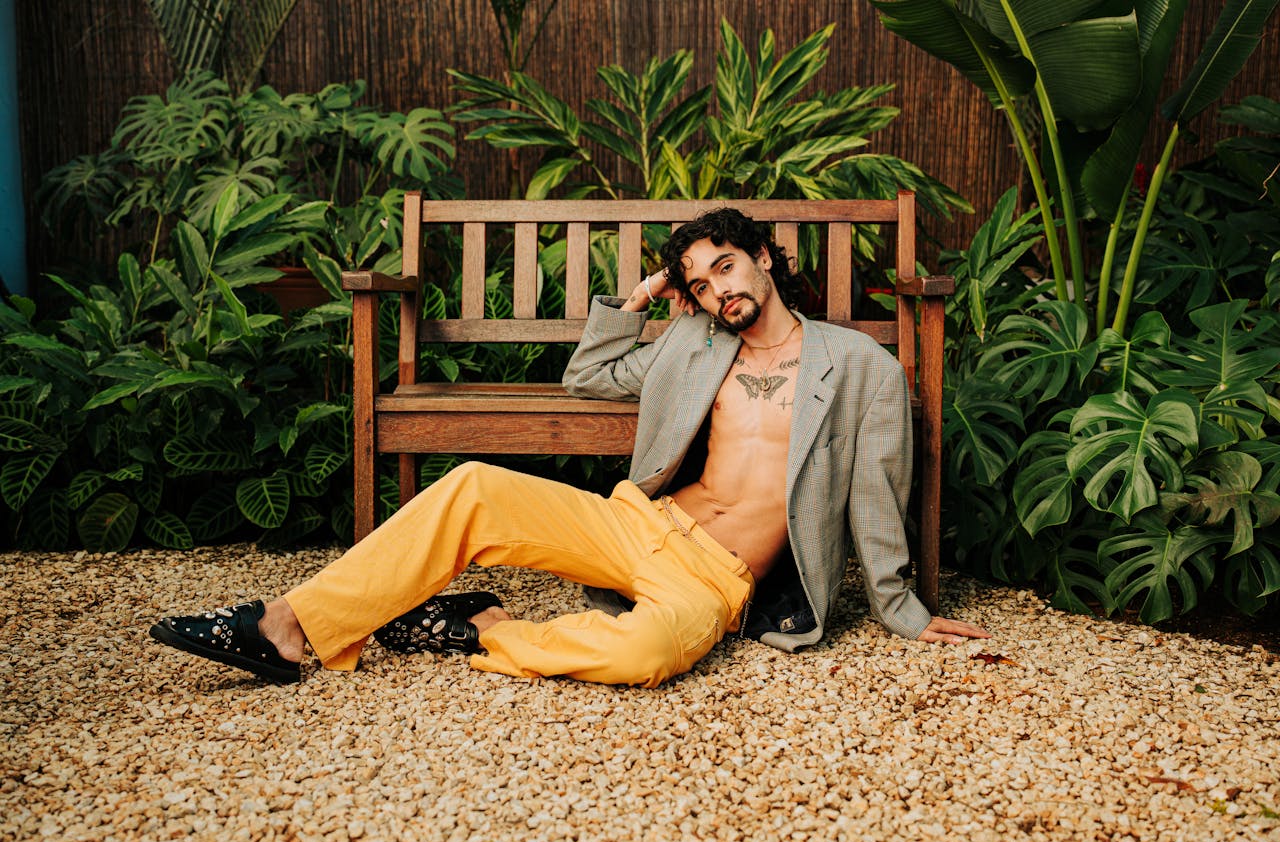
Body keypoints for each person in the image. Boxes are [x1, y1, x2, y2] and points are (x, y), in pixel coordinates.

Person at [150, 208, 989, 687]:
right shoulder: (693, 343)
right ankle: (286, 625)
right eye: (701, 280)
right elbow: (590, 376)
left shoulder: (860, 366)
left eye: (727, 266)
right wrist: (644, 299)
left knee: (649, 652)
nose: (718, 288)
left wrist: (904, 610)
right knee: (474, 484)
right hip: (641, 525)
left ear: (764, 257)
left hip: (720, 580)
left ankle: (481, 629)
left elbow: (877, 495)